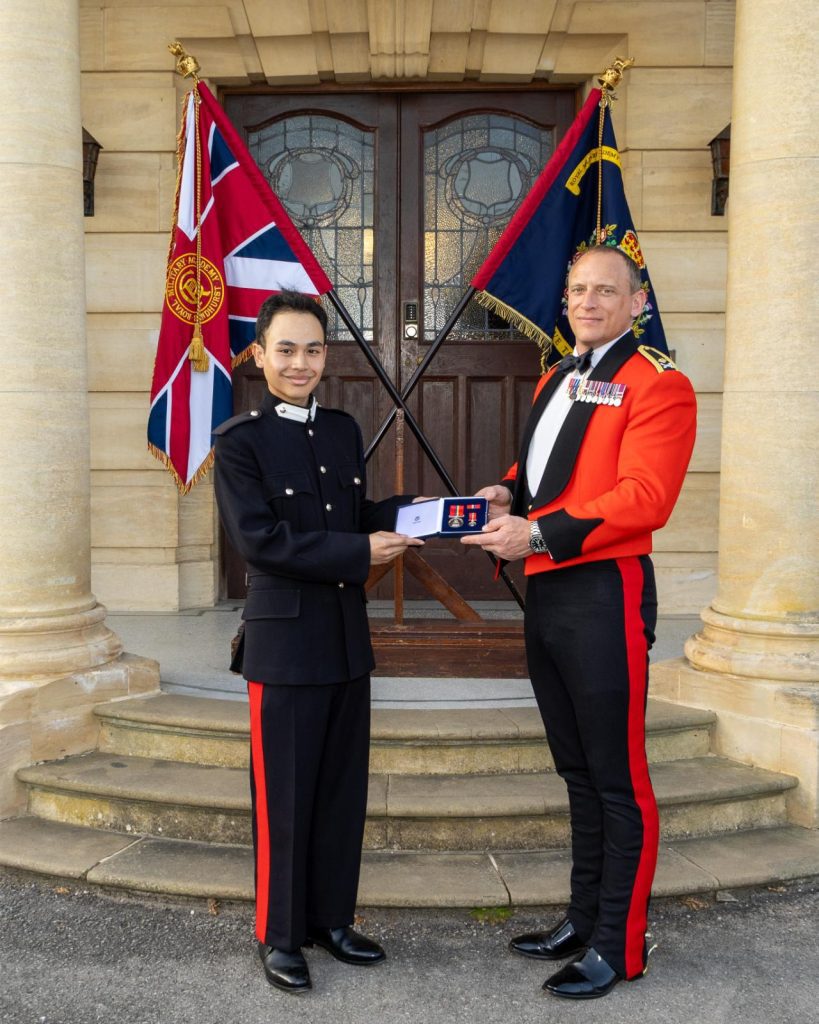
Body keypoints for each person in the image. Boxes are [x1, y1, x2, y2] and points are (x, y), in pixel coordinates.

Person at [462, 245, 697, 1000]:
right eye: (575, 290)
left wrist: (534, 532)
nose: (587, 302)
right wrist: (504, 495)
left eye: (604, 291)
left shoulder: (658, 385)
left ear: (636, 303)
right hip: (548, 594)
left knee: (617, 778)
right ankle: (582, 917)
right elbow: (544, 475)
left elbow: (642, 497)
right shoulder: (557, 374)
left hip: (604, 593)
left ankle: (619, 945)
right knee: (575, 771)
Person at [213, 290, 423, 994]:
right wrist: (360, 551)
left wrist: (434, 513)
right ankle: (279, 934)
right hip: (283, 645)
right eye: (285, 349)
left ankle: (332, 920)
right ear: (258, 356)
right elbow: (262, 542)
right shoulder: (239, 444)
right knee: (285, 798)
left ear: (324, 355)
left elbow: (357, 513)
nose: (300, 362)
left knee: (339, 791)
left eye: (311, 349)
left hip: (343, 639)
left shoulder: (338, 430)